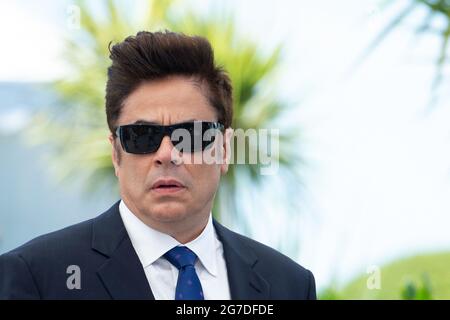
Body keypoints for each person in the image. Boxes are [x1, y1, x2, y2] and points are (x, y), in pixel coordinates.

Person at [0, 31, 316, 300]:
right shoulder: (36, 277)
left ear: (223, 148)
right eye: (141, 135)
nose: (167, 154)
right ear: (116, 154)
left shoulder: (289, 285)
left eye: (190, 135)